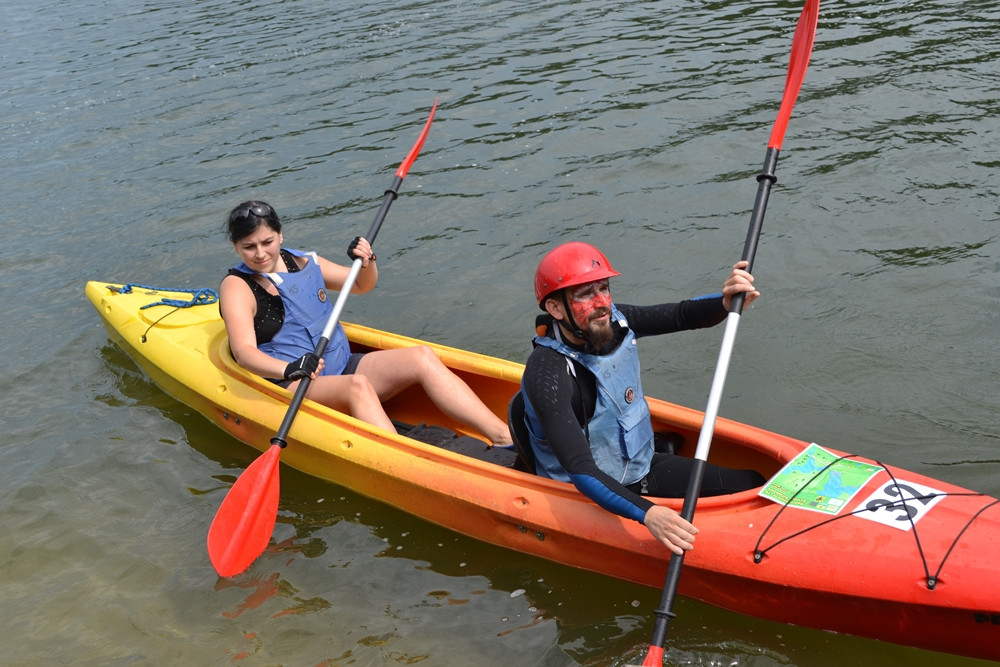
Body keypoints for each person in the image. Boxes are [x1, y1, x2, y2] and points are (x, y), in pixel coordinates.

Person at [517, 241, 767, 555]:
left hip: (639, 470)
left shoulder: (617, 323)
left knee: (753, 483)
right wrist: (647, 513)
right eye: (584, 293)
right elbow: (579, 468)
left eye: (604, 288)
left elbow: (681, 315)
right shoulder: (547, 372)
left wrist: (726, 301)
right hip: (582, 497)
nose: (602, 302)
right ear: (555, 308)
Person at [219, 200, 512, 446]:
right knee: (357, 386)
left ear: (280, 235)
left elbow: (360, 284)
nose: (260, 254)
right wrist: (290, 368)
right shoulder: (237, 286)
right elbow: (244, 353)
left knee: (421, 357)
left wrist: (367, 260)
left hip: (342, 364)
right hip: (294, 383)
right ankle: (405, 461)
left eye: (267, 242)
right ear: (236, 248)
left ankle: (503, 437)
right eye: (249, 247)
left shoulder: (303, 261)